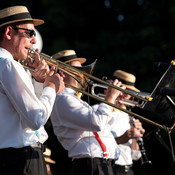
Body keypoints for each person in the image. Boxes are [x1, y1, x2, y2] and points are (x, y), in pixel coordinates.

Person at [0, 5, 64, 175]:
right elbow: (36, 119)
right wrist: (50, 86)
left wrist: (39, 82)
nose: (34, 40)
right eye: (29, 33)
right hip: (22, 159)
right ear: (8, 32)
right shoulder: (8, 64)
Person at [50, 50, 122, 175]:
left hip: (103, 164)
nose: (83, 75)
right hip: (90, 165)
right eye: (79, 71)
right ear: (63, 73)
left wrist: (113, 103)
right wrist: (109, 98)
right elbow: (97, 123)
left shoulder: (76, 100)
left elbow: (105, 125)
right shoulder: (62, 99)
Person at [111, 70, 145, 175]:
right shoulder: (100, 111)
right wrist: (123, 138)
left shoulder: (130, 117)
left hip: (129, 170)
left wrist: (135, 137)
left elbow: (136, 156)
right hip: (111, 168)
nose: (127, 95)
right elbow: (97, 146)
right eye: (124, 90)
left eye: (130, 92)